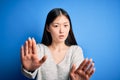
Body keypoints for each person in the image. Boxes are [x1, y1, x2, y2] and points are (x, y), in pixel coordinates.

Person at [20, 8, 95, 80]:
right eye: (56, 26)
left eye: (65, 25)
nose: (61, 30)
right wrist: (29, 69)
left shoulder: (75, 51)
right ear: (48, 28)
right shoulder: (39, 49)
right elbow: (30, 74)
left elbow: (78, 75)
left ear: (69, 27)